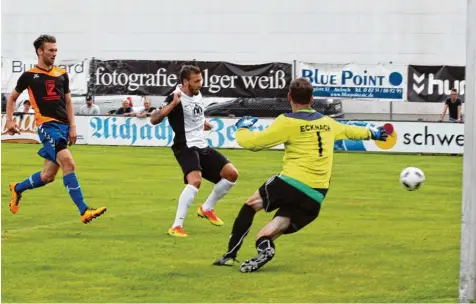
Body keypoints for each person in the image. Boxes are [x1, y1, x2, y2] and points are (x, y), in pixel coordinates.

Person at [212, 78, 388, 272]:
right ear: (312, 99)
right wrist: (374, 134)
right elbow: (351, 131)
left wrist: (242, 128)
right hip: (316, 195)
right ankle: (265, 249)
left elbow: (253, 143)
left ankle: (230, 255)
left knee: (250, 205)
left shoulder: (287, 122)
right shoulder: (327, 122)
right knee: (264, 235)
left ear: (289, 97)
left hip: (291, 182)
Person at [5, 34, 107, 223]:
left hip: (63, 127)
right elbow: (12, 98)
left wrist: (73, 126)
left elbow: (68, 101)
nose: (54, 53)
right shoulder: (29, 76)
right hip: (47, 126)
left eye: (56, 50)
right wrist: (10, 121)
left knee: (48, 176)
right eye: (50, 50)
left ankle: (17, 188)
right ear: (39, 51)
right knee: (69, 163)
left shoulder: (62, 74)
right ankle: (84, 210)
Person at [150, 65, 239, 237]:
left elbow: (195, 112)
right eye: (196, 81)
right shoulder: (175, 96)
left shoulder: (197, 94)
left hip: (201, 144)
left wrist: (202, 122)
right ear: (185, 81)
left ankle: (206, 208)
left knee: (231, 174)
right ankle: (176, 226)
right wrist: (173, 105)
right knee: (195, 181)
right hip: (185, 145)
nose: (200, 84)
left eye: (201, 80)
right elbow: (154, 119)